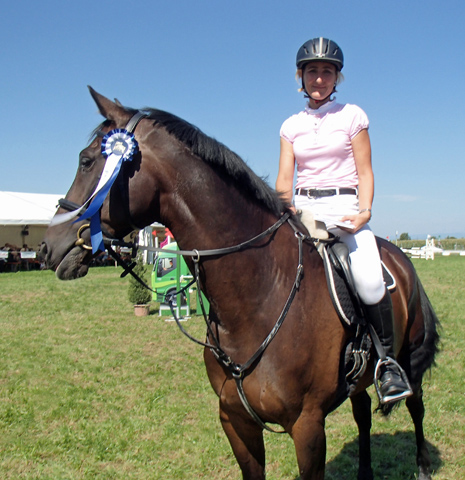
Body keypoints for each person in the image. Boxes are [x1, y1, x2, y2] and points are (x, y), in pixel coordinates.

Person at [276, 37, 411, 404]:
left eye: (327, 72)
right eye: (312, 72)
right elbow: (284, 182)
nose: (319, 78)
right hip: (303, 213)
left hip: (345, 210)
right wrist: (287, 211)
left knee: (369, 283)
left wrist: (364, 211)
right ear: (300, 77)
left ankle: (387, 366)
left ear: (337, 78)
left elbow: (365, 172)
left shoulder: (353, 115)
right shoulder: (290, 126)